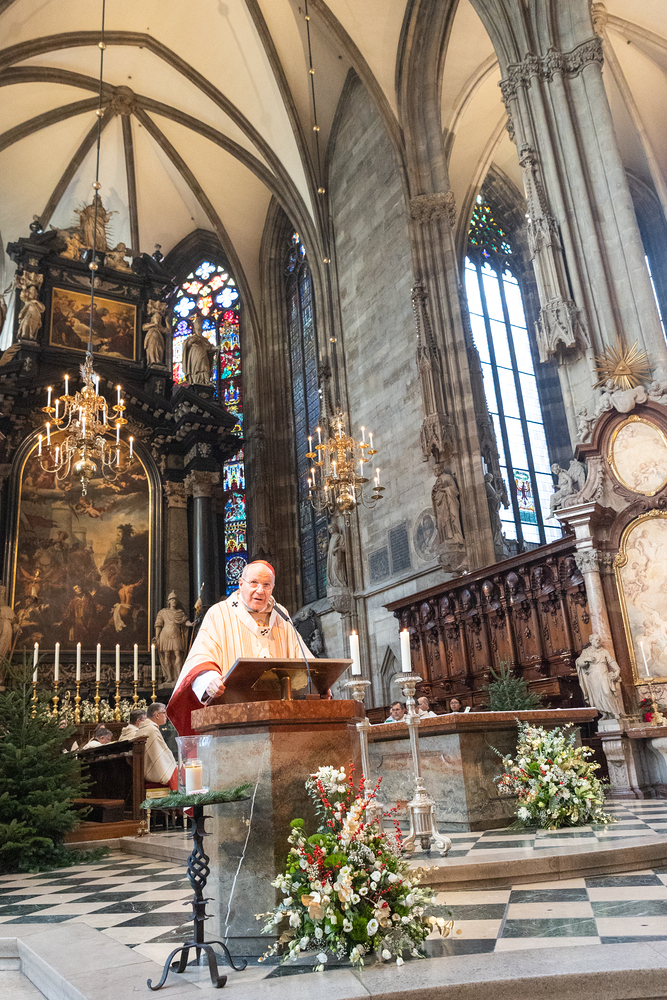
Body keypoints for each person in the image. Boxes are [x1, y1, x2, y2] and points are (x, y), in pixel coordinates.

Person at [168, 560, 311, 736]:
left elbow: (301, 654)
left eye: (266, 585)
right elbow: (202, 656)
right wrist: (210, 680)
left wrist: (317, 682)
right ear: (241, 584)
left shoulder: (281, 614)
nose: (260, 590)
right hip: (233, 716)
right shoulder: (219, 613)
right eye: (254, 583)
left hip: (280, 716)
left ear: (272, 588)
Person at [137, 703, 178, 789]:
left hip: (143, 770)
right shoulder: (151, 730)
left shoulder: (144, 728)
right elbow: (161, 756)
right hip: (151, 773)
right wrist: (173, 768)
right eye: (164, 713)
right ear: (157, 715)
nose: (166, 716)